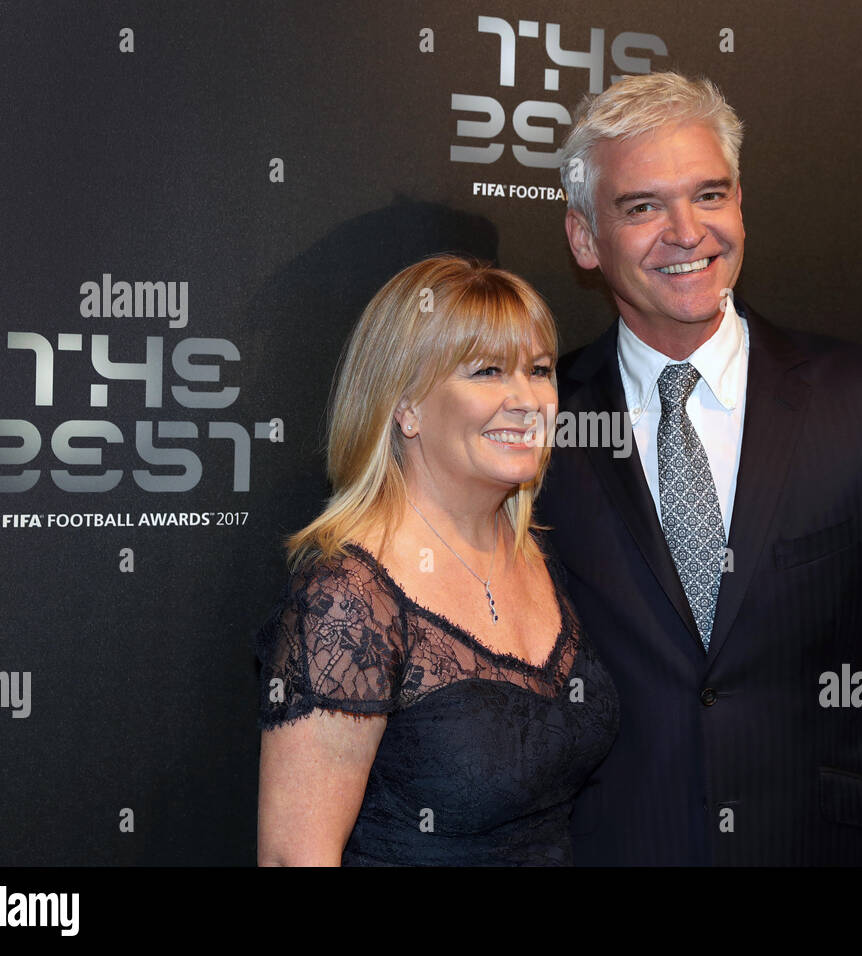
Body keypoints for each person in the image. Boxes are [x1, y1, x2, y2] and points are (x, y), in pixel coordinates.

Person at [540, 72, 862, 865]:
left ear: (740, 204)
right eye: (642, 207)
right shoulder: (537, 420)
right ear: (583, 237)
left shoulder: (861, 398)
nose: (687, 232)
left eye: (710, 195)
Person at [255, 255, 618, 866]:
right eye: (487, 371)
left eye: (540, 370)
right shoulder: (349, 597)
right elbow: (295, 858)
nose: (528, 400)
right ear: (406, 406)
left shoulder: (536, 552)